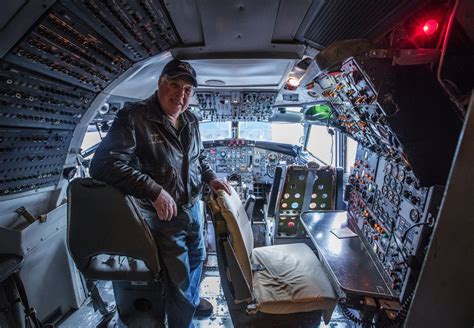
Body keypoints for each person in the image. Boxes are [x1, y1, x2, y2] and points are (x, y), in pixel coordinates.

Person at [89, 59, 231, 327]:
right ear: (160, 83)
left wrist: (211, 178)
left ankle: (190, 300)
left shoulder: (190, 119)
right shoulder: (135, 117)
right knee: (177, 278)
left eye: (188, 89)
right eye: (175, 85)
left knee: (198, 258)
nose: (181, 95)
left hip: (192, 208)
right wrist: (153, 190)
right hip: (161, 217)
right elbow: (103, 164)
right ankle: (182, 321)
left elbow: (198, 159)